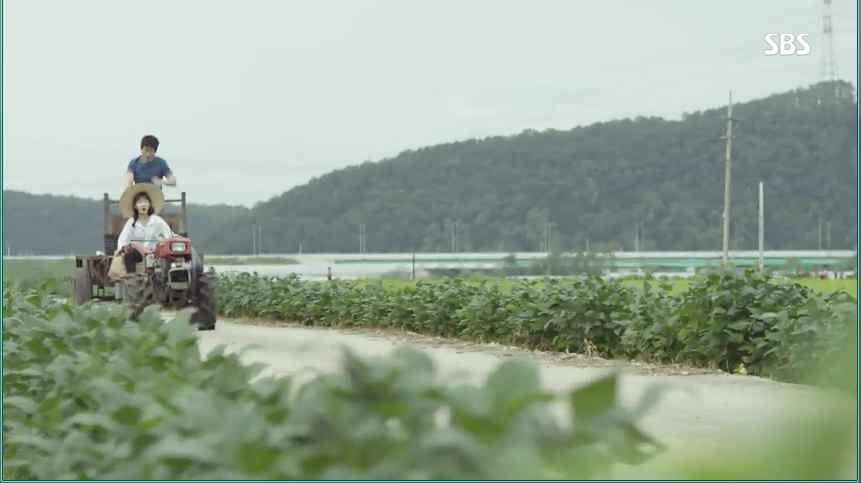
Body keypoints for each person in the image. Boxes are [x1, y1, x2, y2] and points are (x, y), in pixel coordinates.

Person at [115, 183, 174, 273]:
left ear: (149, 204)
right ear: (135, 206)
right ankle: (132, 279)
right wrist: (123, 248)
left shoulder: (157, 221)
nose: (143, 204)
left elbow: (169, 236)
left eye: (145, 201)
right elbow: (123, 239)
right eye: (139, 202)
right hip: (139, 254)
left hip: (156, 253)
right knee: (129, 255)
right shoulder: (131, 222)